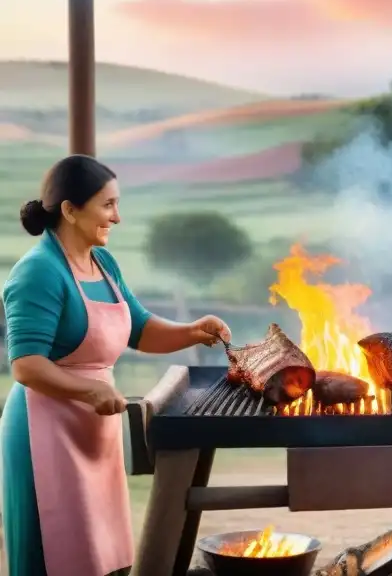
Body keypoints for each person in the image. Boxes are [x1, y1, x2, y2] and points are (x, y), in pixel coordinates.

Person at [1, 155, 233, 576]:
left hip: (93, 430)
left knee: (102, 556)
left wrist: (191, 331)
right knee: (56, 557)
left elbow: (139, 329)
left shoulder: (102, 263)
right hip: (45, 432)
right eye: (107, 205)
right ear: (70, 210)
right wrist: (90, 390)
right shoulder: (37, 273)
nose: (117, 217)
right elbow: (27, 366)